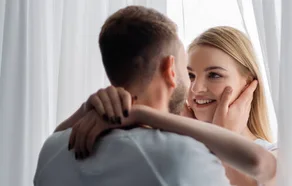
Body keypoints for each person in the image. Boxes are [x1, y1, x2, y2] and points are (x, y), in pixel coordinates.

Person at [34, 6, 272, 186]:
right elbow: (261, 165)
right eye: (188, 73)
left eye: (215, 75)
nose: (195, 87)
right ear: (171, 69)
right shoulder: (186, 156)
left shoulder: (54, 147)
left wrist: (89, 109)